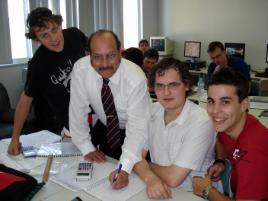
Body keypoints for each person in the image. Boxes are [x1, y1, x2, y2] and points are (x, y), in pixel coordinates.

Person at [69, 30, 151, 189]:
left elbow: (137, 129)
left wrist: (124, 168)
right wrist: (86, 147)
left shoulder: (135, 78)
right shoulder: (81, 70)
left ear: (121, 53)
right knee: (103, 172)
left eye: (111, 55)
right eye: (97, 57)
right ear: (89, 55)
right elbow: (77, 112)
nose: (105, 63)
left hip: (138, 130)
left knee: (136, 182)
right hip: (109, 128)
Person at [7, 7, 87, 155]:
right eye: (45, 35)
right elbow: (24, 103)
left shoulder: (74, 35)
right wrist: (14, 138)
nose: (53, 38)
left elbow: (93, 56)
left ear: (59, 24)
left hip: (96, 110)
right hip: (72, 125)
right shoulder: (38, 64)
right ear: (37, 39)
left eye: (55, 30)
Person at [133, 58, 216, 199]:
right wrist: (150, 178)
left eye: (173, 85)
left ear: (187, 85)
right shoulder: (152, 110)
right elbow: (133, 155)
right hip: (156, 186)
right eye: (160, 86)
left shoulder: (201, 121)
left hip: (191, 194)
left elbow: (173, 178)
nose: (166, 93)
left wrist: (144, 165)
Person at [192, 68, 268, 200]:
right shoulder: (231, 125)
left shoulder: (254, 149)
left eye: (225, 102)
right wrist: (220, 161)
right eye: (211, 101)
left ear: (244, 104)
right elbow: (220, 140)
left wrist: (207, 191)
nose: (215, 111)